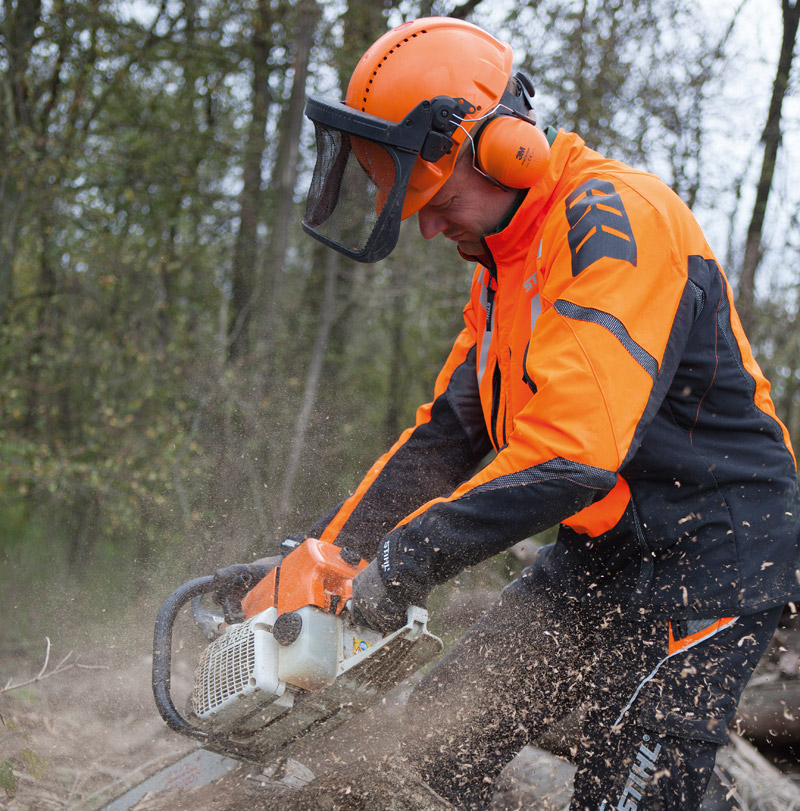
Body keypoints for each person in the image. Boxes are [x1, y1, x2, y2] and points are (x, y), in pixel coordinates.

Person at [297, 16, 800, 811]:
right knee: (433, 745)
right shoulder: (504, 266)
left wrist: (407, 558)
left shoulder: (614, 220)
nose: (429, 225)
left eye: (437, 198)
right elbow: (450, 432)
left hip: (711, 551)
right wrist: (324, 560)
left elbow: (573, 450)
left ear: (503, 147)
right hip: (604, 547)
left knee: (623, 789)